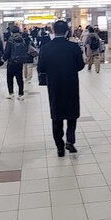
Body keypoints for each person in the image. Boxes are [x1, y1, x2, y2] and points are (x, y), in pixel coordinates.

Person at [37, 20, 85, 156]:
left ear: (53, 30)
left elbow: (41, 67)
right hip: (71, 85)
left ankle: (59, 147)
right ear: (66, 31)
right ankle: (70, 141)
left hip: (54, 86)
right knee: (72, 114)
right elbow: (80, 66)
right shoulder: (74, 47)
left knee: (57, 116)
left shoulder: (46, 48)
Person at [2, 25, 28, 100]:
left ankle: (11, 93)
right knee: (19, 78)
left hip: (11, 62)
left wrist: (4, 59)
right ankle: (21, 94)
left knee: (10, 77)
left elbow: (7, 51)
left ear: (11, 31)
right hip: (20, 62)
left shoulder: (10, 40)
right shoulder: (22, 39)